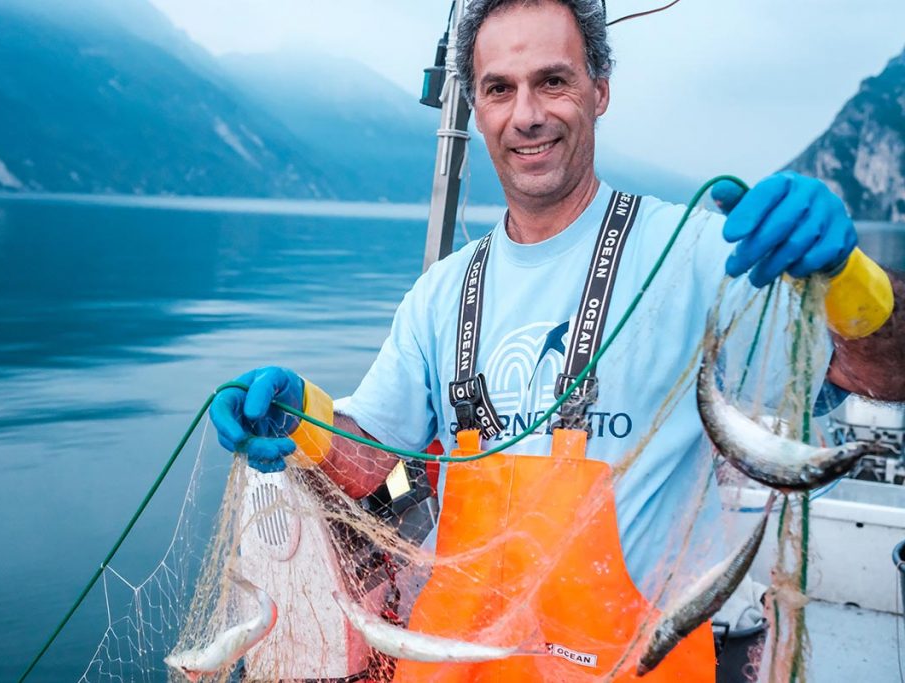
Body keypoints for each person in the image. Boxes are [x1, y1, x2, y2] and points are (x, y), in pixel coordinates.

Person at [211, 0, 903, 680]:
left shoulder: (693, 255)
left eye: (553, 80)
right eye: (500, 89)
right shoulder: (444, 292)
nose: (527, 114)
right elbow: (372, 465)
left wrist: (851, 281)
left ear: (598, 90)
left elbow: (877, 373)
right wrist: (307, 419)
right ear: (477, 109)